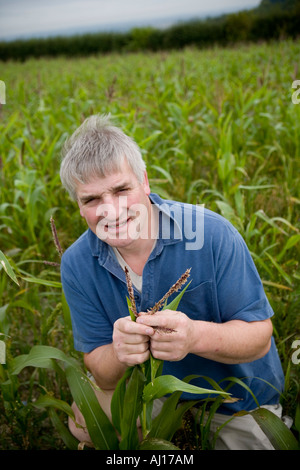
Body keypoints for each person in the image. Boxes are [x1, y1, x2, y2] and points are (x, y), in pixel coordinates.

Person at [59, 114, 285, 450]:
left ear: (145, 182)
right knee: (83, 420)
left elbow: (258, 339)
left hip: (231, 396)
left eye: (122, 189)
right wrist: (120, 353)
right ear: (78, 205)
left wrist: (195, 336)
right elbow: (102, 372)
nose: (111, 210)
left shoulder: (210, 233)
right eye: (91, 199)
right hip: (151, 392)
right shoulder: (77, 263)